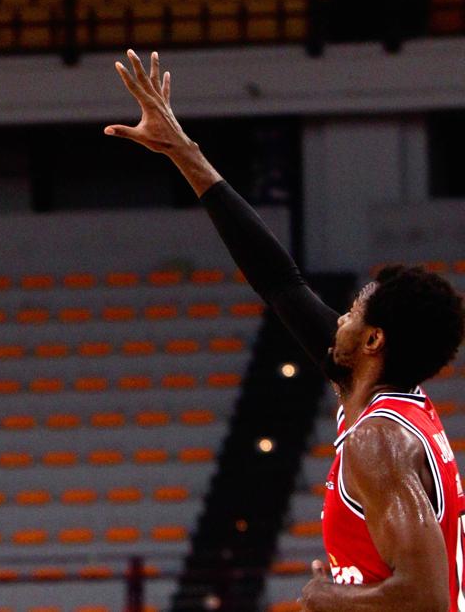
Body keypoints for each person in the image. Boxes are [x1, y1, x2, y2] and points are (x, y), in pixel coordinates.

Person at [106, 49, 465, 611]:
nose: (338, 317)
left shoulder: (380, 441)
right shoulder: (382, 397)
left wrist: (329, 599)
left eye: (352, 312)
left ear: (373, 343)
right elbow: (279, 281)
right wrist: (185, 152)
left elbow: (427, 597)